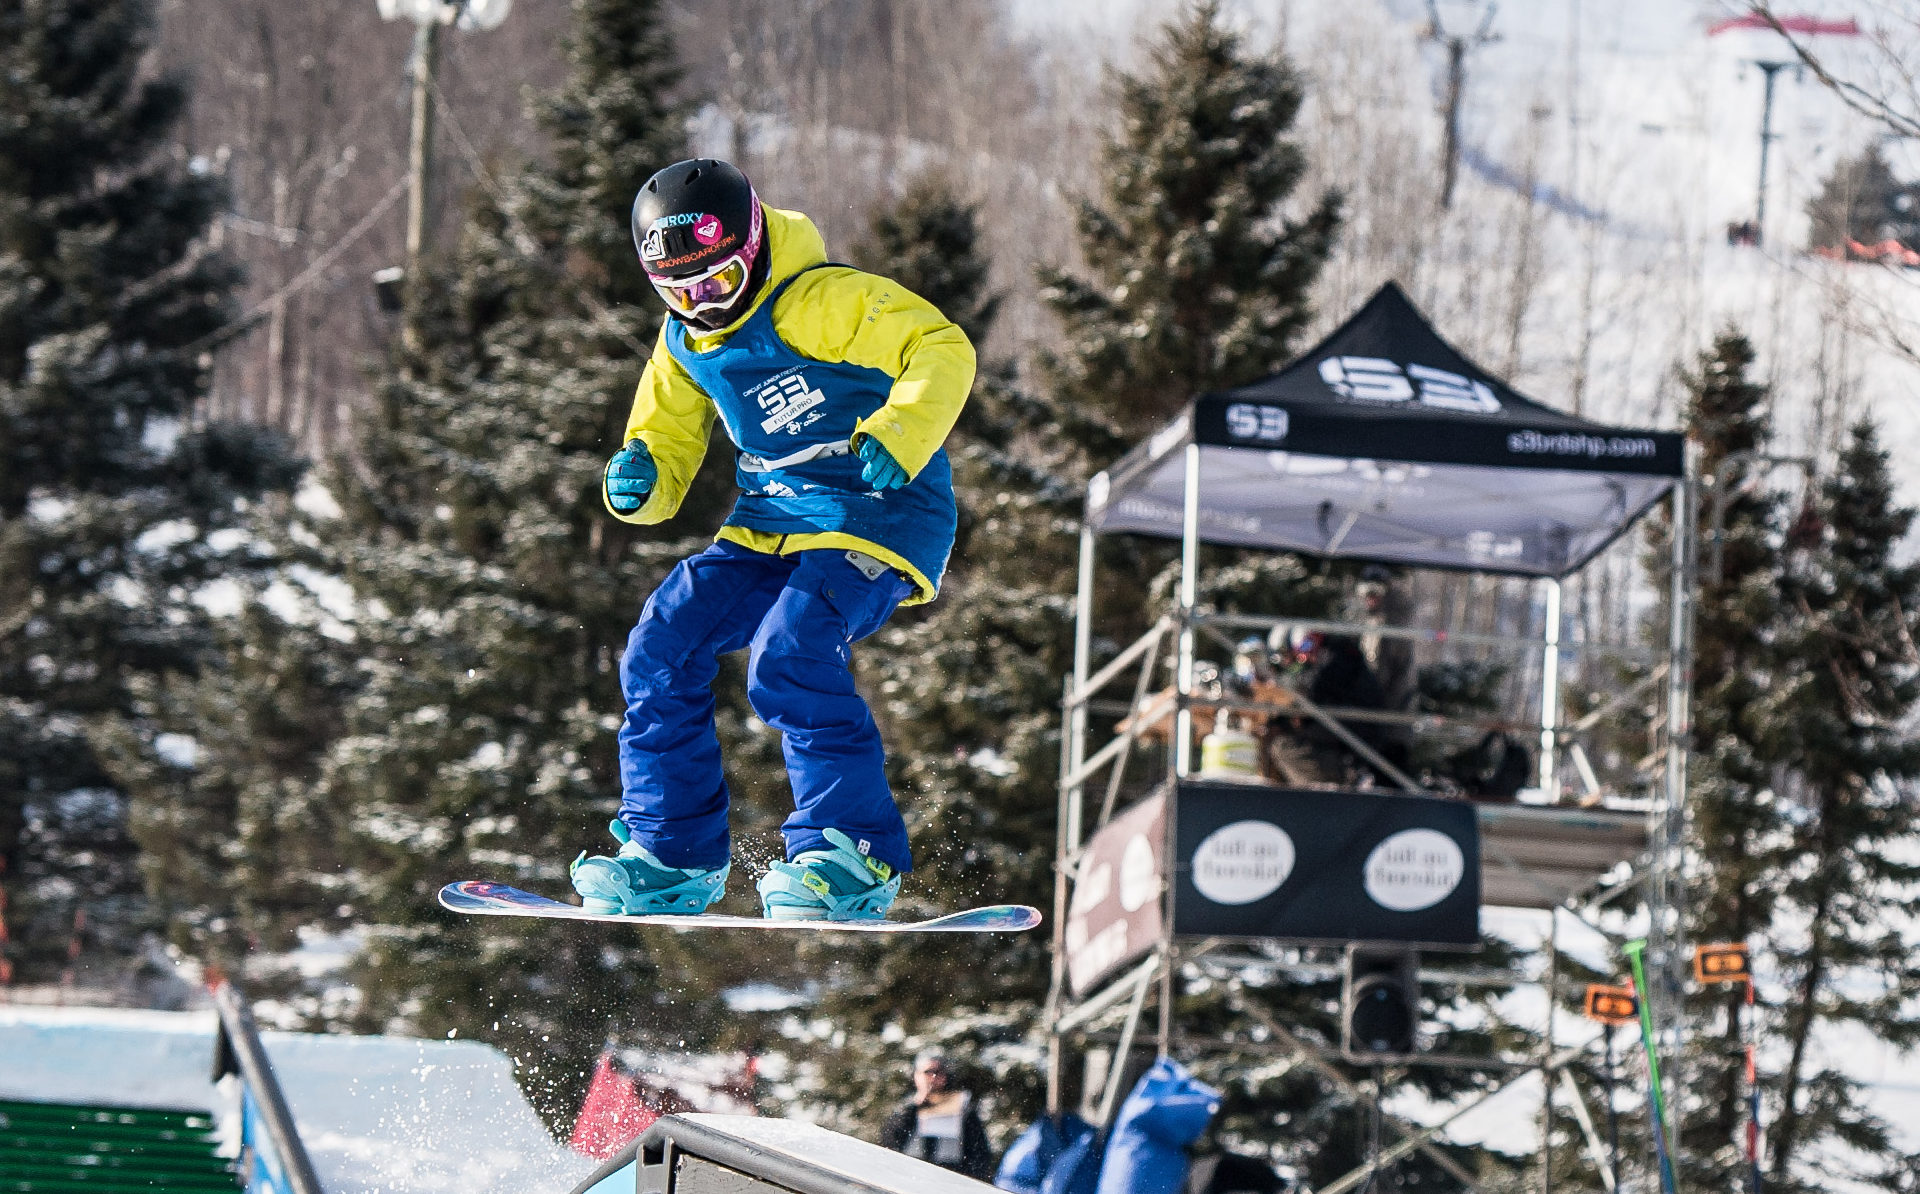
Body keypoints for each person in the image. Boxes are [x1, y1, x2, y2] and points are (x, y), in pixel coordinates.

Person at [567, 159, 975, 922]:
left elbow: (941, 346)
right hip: (773, 520)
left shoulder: (821, 301)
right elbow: (664, 433)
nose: (701, 306)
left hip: (878, 511)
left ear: (753, 249)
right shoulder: (685, 339)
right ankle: (671, 852)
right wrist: (643, 480)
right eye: (678, 292)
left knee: (789, 651)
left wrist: (901, 429)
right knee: (663, 640)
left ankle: (851, 853)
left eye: (717, 283)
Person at [882, 1049, 994, 1179]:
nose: (933, 1078)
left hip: (948, 1182)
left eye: (937, 1072)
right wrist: (914, 1109)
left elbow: (979, 1155)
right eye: (927, 1072)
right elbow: (890, 1144)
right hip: (910, 1177)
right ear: (916, 1076)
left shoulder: (964, 1112)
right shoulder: (905, 1109)